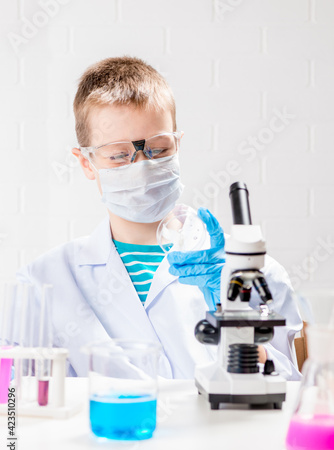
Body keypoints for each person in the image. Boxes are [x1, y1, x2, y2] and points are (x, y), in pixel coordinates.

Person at [16, 56, 302, 380]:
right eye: (119, 154)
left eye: (159, 149)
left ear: (178, 145)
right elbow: (16, 405)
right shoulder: (44, 282)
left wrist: (233, 319)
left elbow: (286, 395)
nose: (142, 165)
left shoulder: (249, 274)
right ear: (85, 162)